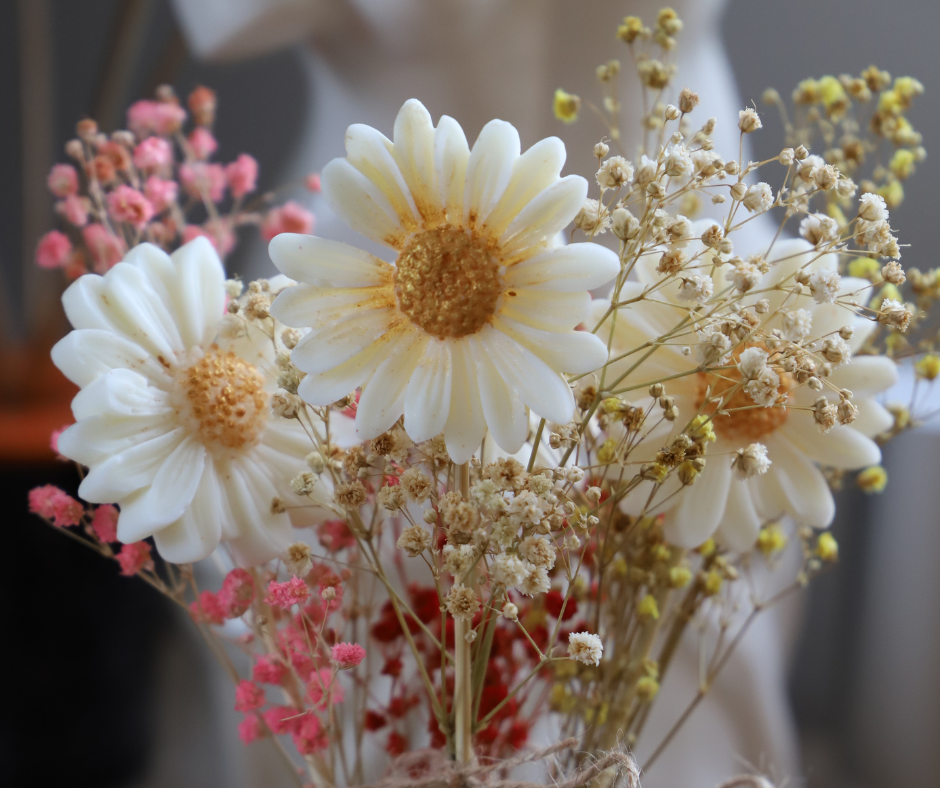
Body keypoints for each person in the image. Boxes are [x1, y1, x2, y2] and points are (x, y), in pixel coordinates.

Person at [160, 2, 803, 786]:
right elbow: (226, 23)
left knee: (694, 693)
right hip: (368, 337)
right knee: (364, 706)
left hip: (702, 331)